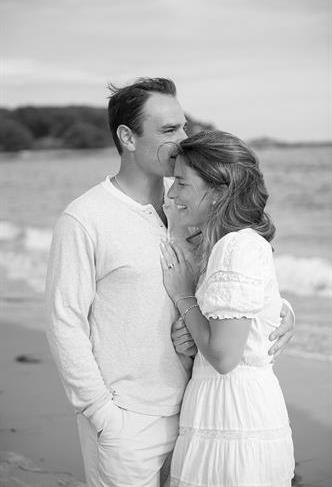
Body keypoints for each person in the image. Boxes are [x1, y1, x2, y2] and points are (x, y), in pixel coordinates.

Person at [46, 77, 295, 487]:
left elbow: (235, 280)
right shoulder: (86, 218)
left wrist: (283, 312)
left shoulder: (189, 204)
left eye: (183, 127)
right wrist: (102, 413)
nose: (181, 141)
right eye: (167, 130)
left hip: (199, 412)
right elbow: (64, 321)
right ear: (127, 136)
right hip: (129, 422)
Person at [160, 130, 295, 487]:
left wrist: (183, 297)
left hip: (235, 414)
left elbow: (223, 357)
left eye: (182, 183)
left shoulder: (236, 247)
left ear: (219, 193)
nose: (171, 193)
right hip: (224, 408)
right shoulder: (227, 244)